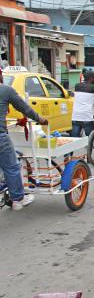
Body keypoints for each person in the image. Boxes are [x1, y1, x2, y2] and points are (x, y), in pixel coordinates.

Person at [0, 70, 48, 210]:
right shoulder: (6, 90)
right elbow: (25, 108)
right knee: (12, 167)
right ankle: (18, 199)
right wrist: (39, 119)